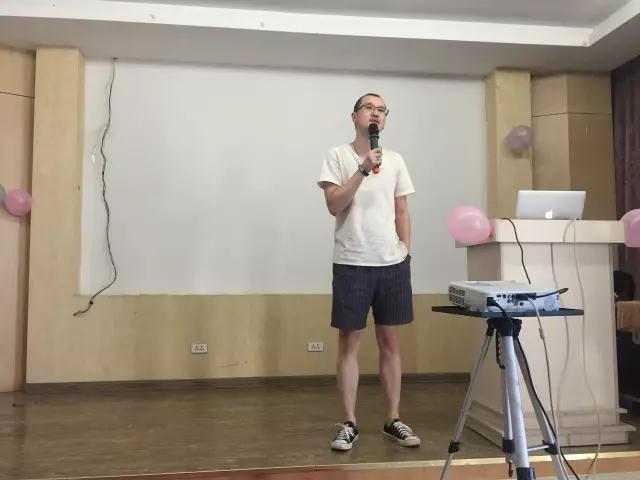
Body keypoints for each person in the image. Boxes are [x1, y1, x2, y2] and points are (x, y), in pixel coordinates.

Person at [317, 93, 420, 451]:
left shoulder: (396, 160)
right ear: (354, 116)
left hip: (392, 263)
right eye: (369, 108)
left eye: (381, 110)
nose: (375, 113)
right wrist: (362, 169)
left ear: (385, 119)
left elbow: (402, 210)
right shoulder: (337, 156)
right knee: (350, 344)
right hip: (352, 262)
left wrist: (405, 251)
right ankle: (348, 422)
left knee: (390, 342)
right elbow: (334, 205)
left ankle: (393, 419)